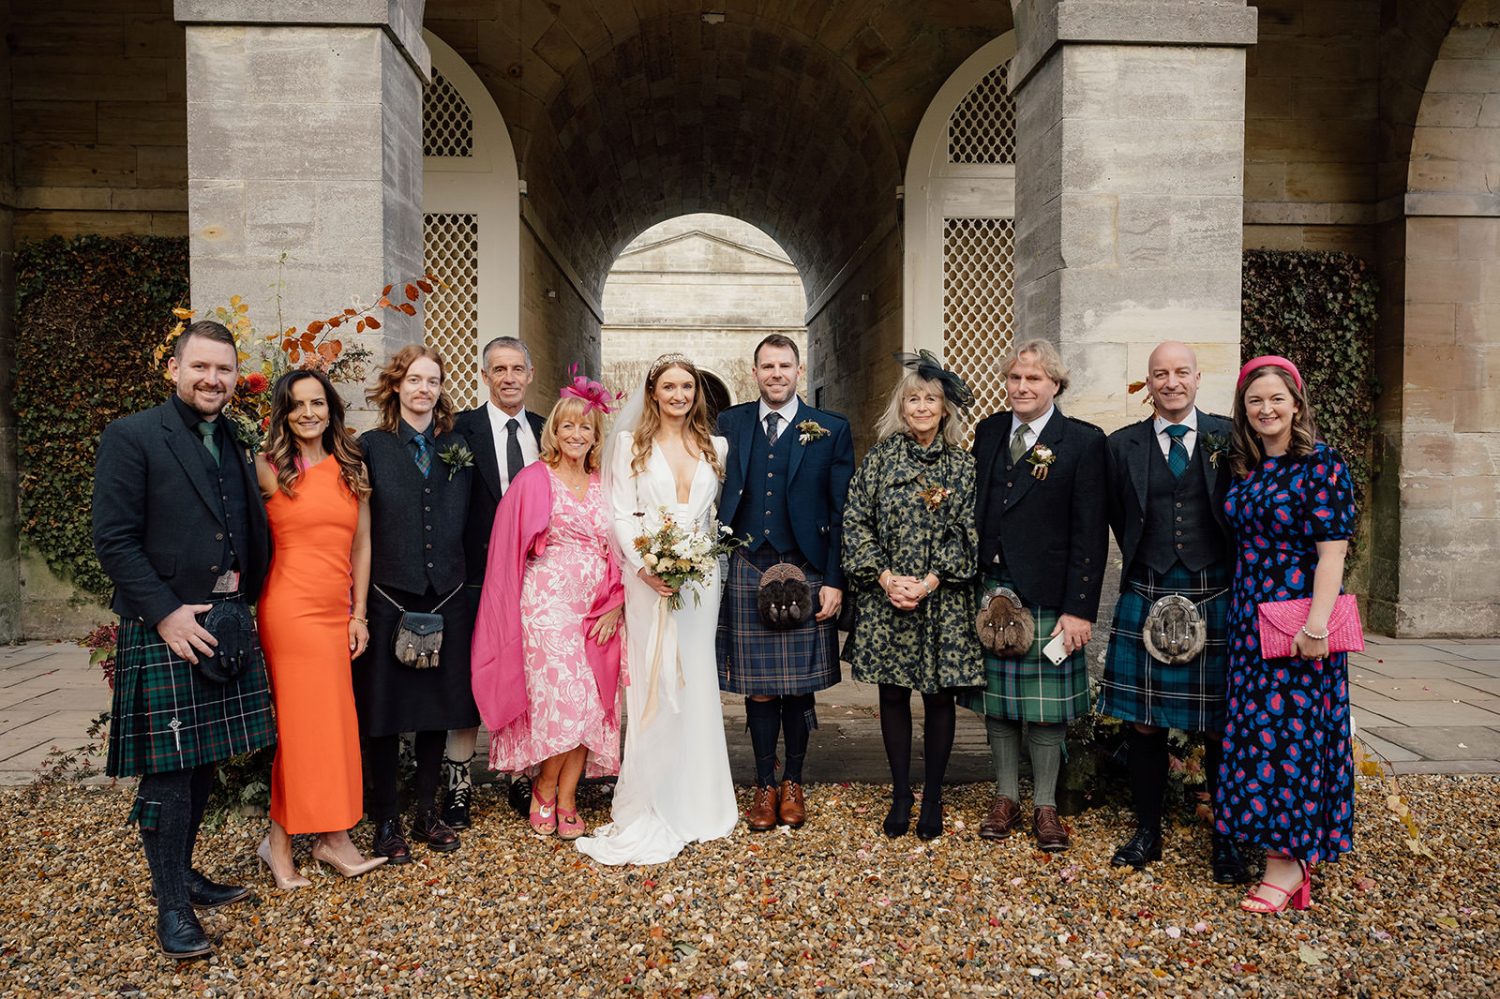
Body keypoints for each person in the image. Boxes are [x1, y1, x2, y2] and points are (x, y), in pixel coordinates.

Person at [92, 319, 276, 959]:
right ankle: (171, 907)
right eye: (200, 367)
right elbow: (113, 540)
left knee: (200, 767)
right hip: (167, 625)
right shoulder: (133, 436)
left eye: (223, 369)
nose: (213, 379)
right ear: (173, 369)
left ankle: (184, 873)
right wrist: (166, 614)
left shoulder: (235, 436)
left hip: (224, 618)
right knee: (169, 773)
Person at [576, 353, 738, 865]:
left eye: (686, 386)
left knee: (695, 676)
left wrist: (697, 559)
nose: (678, 395)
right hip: (650, 576)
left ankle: (699, 796)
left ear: (696, 393)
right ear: (653, 393)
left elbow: (711, 519)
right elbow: (620, 511)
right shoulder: (630, 445)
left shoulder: (717, 446)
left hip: (701, 579)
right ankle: (655, 795)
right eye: (668, 386)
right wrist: (645, 566)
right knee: (654, 677)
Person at [1097, 341, 1249, 884]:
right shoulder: (1122, 446)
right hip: (1149, 587)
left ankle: (1227, 840)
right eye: (1160, 373)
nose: (1171, 382)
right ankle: (1147, 830)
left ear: (1198, 377)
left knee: (1219, 724)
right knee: (1143, 722)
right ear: (1148, 382)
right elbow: (1116, 517)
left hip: (1216, 589)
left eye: (1181, 372)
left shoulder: (1228, 437)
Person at [1218, 356, 1356, 914]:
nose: (1266, 409)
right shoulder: (1249, 469)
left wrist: (1316, 625)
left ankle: (1288, 864)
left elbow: (1333, 552)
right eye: (1255, 401)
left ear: (1297, 404)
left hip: (1300, 624)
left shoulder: (1322, 465)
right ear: (1244, 411)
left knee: (1289, 742)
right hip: (1251, 623)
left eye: (1276, 399)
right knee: (1257, 738)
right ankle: (1281, 851)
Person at [959, 338, 1108, 853]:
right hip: (992, 589)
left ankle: (1044, 804)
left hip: (1048, 595)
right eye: (1015, 378)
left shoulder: (1084, 442)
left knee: (1046, 710)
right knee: (997, 707)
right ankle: (1005, 797)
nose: (1022, 387)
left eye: (1034, 379)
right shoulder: (990, 431)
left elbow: (1090, 534)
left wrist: (1079, 608)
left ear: (1055, 385)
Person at [471, 379, 625, 841]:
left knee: (592, 704)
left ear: (597, 435)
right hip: (546, 606)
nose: (576, 434)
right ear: (554, 433)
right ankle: (545, 787)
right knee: (565, 701)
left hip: (597, 606)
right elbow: (505, 552)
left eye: (586, 427)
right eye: (567, 427)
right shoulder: (532, 479)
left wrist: (616, 605)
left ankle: (568, 797)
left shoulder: (606, 485)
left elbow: (621, 549)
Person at [253, 369, 387, 888]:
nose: (309, 413)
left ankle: (333, 837)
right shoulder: (268, 469)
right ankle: (280, 844)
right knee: (302, 730)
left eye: (317, 402)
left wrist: (358, 615)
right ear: (283, 413)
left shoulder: (351, 465)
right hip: (289, 610)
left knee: (332, 727)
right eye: (297, 405)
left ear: (331, 407)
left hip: (336, 611)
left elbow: (362, 545)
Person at [715, 334, 855, 831]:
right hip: (748, 564)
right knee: (758, 689)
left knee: (797, 689)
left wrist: (835, 581)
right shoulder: (729, 424)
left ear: (800, 370)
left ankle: (793, 780)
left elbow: (843, 514)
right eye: (767, 366)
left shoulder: (832, 428)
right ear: (755, 372)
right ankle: (763, 784)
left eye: (784, 365)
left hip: (808, 567)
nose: (776, 373)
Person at [841, 353, 982, 840]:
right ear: (902, 407)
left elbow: (969, 532)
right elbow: (855, 520)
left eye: (932, 399)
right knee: (893, 695)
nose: (922, 407)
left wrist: (928, 582)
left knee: (939, 698)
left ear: (945, 410)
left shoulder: (964, 466)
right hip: (888, 600)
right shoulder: (878, 461)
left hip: (940, 600)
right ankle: (902, 792)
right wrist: (884, 578)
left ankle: (935, 794)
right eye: (914, 399)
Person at [355, 345, 479, 863]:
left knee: (436, 711)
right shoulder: (370, 447)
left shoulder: (457, 446)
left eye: (433, 381)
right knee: (384, 714)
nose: (424, 389)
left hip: (447, 598)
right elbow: (356, 530)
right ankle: (386, 819)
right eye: (414, 380)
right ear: (397, 386)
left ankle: (427, 811)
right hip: (388, 598)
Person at [447, 336, 544, 829]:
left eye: (516, 368)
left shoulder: (548, 433)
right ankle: (457, 782)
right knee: (470, 678)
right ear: (485, 376)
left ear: (530, 374)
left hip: (536, 580)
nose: (508, 377)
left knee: (525, 676)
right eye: (498, 369)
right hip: (473, 576)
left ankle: (519, 775)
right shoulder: (459, 431)